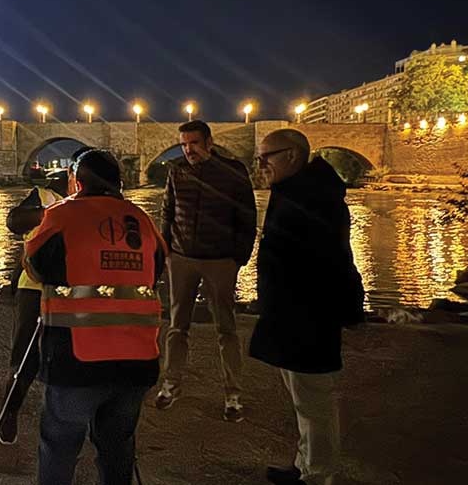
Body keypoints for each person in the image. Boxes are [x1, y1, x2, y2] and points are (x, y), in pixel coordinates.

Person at [25, 150, 167, 485]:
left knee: (60, 445)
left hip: (77, 356)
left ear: (75, 180)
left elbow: (35, 267)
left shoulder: (63, 215)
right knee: (118, 446)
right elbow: (156, 269)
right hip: (137, 357)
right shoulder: (141, 218)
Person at [249, 129, 364, 485]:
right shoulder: (300, 193)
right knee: (304, 400)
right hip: (291, 315)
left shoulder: (314, 199)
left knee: (314, 404)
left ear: (292, 156)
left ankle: (318, 475)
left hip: (308, 317)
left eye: (266, 157)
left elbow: (330, 262)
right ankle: (304, 465)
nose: (261, 165)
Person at [156, 120, 256, 422]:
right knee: (177, 326)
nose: (189, 150)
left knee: (226, 328)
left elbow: (247, 216)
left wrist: (238, 257)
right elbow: (167, 210)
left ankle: (233, 393)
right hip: (182, 258)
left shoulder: (233, 171)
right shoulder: (176, 170)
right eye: (184, 144)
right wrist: (167, 251)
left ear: (208, 143)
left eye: (194, 144)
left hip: (220, 259)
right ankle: (171, 384)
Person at [0, 147, 90, 445]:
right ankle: (10, 411)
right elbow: (14, 221)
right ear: (71, 173)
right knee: (24, 352)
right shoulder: (46, 195)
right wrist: (57, 213)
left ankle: (66, 419)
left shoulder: (97, 201)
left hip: (74, 290)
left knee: (68, 354)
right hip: (34, 286)